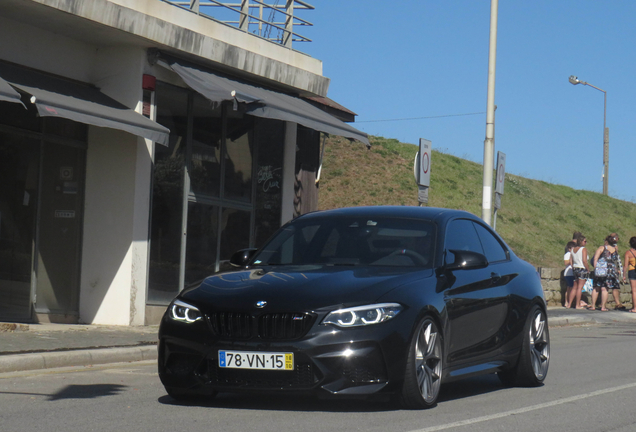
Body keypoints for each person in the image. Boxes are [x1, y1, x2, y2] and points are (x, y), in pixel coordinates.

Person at [589, 234, 625, 311]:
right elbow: (615, 260)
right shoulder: (615, 249)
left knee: (596, 288)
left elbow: (595, 258)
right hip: (611, 271)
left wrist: (596, 268)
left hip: (601, 269)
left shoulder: (602, 248)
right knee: (605, 289)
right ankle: (603, 307)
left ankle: (593, 306)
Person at [569, 235, 589, 310]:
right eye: (585, 241)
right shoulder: (583, 249)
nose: (586, 242)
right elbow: (584, 260)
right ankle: (577, 305)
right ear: (581, 242)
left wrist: (573, 266)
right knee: (579, 288)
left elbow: (571, 260)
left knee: (574, 287)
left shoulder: (573, 249)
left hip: (575, 268)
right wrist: (588, 269)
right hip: (582, 268)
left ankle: (569, 304)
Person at [563, 241, 578, 308]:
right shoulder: (568, 254)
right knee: (571, 288)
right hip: (569, 273)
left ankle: (567, 301)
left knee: (569, 288)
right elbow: (566, 262)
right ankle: (568, 302)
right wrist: (572, 260)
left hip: (570, 273)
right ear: (569, 248)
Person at [623, 236, 636, 313]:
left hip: (632, 271)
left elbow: (625, 265)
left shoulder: (628, 253)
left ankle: (635, 307)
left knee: (634, 291)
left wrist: (624, 275)